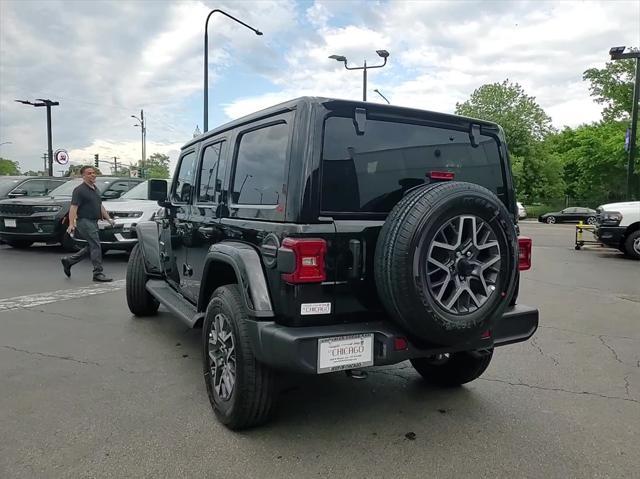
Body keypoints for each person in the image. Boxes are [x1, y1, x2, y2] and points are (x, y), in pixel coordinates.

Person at [60, 166, 115, 282]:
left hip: (93, 221)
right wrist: (71, 224)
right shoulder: (79, 190)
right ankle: (98, 273)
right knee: (96, 245)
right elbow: (73, 207)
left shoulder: (95, 189)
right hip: (84, 221)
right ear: (83, 176)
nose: (93, 175)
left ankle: (69, 261)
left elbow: (100, 206)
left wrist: (108, 218)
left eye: (94, 173)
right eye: (89, 173)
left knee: (91, 246)